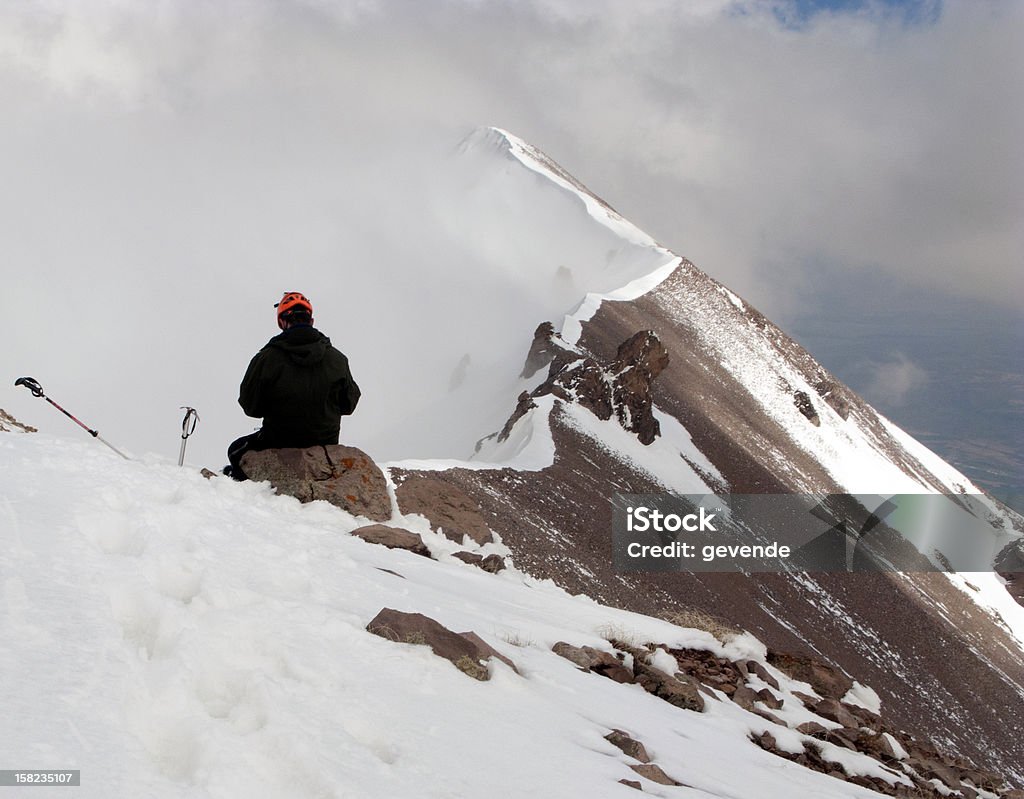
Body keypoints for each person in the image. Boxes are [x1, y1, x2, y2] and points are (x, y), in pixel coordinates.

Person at [224, 291, 361, 480]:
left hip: (277, 442)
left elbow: (250, 407)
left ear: (281, 322)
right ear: (311, 320)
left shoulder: (266, 358)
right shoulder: (337, 359)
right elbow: (349, 404)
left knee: (235, 451)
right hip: (325, 445)